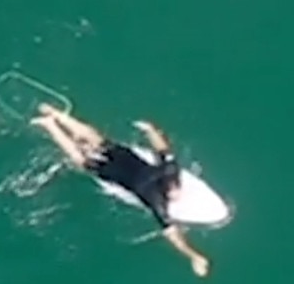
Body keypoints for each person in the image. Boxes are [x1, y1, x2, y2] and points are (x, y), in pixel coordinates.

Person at [30, 103, 210, 277]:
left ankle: (51, 123)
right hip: (118, 163)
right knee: (88, 147)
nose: (175, 194)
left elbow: (162, 149)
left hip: (117, 166)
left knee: (88, 149)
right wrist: (150, 131)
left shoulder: (166, 178)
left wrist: (150, 130)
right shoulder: (160, 192)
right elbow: (162, 148)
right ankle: (55, 117)